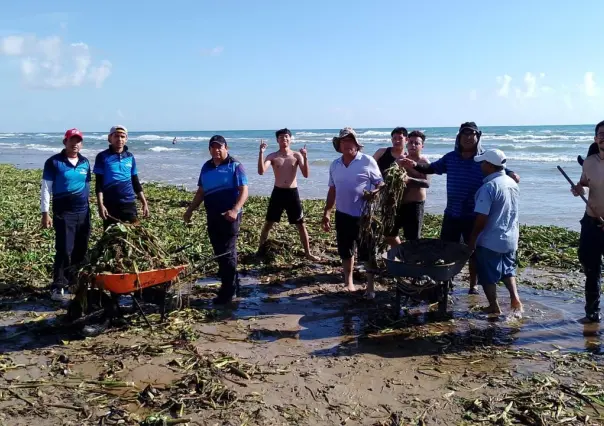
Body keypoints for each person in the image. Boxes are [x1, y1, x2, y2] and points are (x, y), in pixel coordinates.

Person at [400, 122, 520, 295]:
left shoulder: (483, 158)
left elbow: (499, 167)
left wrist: (511, 173)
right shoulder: (451, 158)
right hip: (452, 214)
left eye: (472, 134)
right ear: (459, 137)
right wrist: (413, 164)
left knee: (474, 252)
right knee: (446, 252)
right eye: (465, 134)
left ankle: (473, 285)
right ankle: (446, 284)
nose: (468, 138)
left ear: (478, 137)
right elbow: (431, 168)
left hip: (475, 215)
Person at [183, 135, 249, 305]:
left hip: (230, 215)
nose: (216, 150)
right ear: (209, 149)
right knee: (219, 251)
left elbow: (244, 191)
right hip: (212, 215)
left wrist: (235, 210)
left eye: (219, 147)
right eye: (213, 147)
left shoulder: (236, 166)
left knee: (228, 251)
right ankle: (232, 283)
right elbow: (201, 192)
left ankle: (228, 293)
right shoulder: (206, 167)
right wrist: (190, 210)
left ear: (226, 147)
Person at [322, 127, 384, 299]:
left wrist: (375, 192)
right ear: (339, 145)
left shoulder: (367, 161)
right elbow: (332, 190)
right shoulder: (335, 165)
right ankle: (348, 282)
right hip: (342, 214)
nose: (347, 144)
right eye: (343, 141)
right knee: (345, 250)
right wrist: (327, 212)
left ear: (357, 144)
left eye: (350, 141)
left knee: (368, 251)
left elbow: (381, 183)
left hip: (365, 216)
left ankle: (370, 286)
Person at [467, 149, 522, 315]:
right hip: (511, 237)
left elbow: (481, 218)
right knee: (508, 270)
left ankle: (493, 305)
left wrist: (473, 239)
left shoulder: (489, 187)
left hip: (491, 239)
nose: (481, 165)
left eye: (483, 162)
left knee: (486, 274)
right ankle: (515, 298)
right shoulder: (512, 183)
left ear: (490, 166)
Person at [41, 129, 91, 300]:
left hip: (83, 212)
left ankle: (74, 281)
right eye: (72, 140)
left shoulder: (85, 162)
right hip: (64, 212)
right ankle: (58, 286)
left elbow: (87, 186)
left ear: (81, 144)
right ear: (65, 142)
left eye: (78, 141)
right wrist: (45, 213)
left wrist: (90, 206)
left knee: (81, 249)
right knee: (64, 249)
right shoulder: (54, 162)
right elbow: (46, 188)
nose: (75, 144)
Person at [257, 128, 319, 261]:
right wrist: (261, 153)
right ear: (277, 140)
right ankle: (260, 250)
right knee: (268, 223)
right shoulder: (272, 156)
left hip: (292, 193)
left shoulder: (297, 155)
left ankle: (308, 253)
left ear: (290, 139)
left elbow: (306, 174)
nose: (284, 139)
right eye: (281, 137)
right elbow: (261, 171)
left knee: (300, 224)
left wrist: (306, 157)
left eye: (286, 137)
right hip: (278, 192)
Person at [571, 120, 604, 323]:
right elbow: (584, 183)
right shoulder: (589, 161)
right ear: (595, 138)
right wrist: (578, 189)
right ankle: (592, 312)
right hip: (591, 223)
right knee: (591, 269)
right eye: (601, 133)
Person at [374, 129, 430, 246]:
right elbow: (387, 176)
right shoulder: (401, 159)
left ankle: (412, 261)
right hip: (397, 203)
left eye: (417, 143)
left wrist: (409, 180)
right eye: (411, 142)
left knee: (412, 238)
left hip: (415, 205)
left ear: (422, 146)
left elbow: (427, 183)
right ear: (407, 143)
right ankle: (402, 253)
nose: (413, 145)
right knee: (389, 234)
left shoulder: (424, 161)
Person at [94, 125, 149, 229]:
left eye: (122, 136)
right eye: (116, 136)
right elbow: (99, 184)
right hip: (110, 203)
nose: (119, 139)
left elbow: (135, 182)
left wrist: (144, 203)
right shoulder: (102, 157)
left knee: (135, 233)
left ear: (126, 139)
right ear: (109, 138)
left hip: (129, 202)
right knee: (110, 237)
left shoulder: (130, 157)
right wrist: (101, 205)